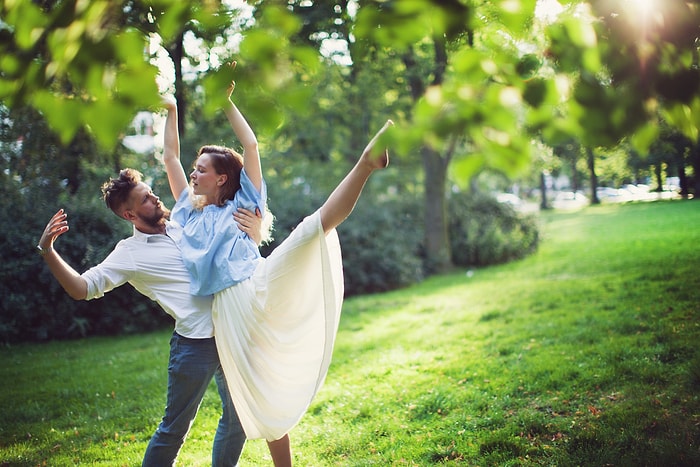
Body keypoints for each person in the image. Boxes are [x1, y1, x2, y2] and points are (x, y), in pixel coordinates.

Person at [159, 72, 393, 466]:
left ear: (222, 178)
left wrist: (226, 105)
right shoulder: (188, 213)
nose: (193, 173)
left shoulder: (242, 206)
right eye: (194, 168)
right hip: (231, 311)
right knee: (261, 389)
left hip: (258, 282)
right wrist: (171, 109)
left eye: (201, 169)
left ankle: (366, 164)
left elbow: (250, 144)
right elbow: (169, 157)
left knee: (310, 229)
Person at [37, 169, 266, 466]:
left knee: (239, 418)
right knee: (174, 429)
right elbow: (82, 288)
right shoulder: (129, 253)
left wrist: (256, 230)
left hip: (231, 330)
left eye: (151, 192)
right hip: (195, 345)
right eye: (146, 198)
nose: (156, 198)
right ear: (130, 215)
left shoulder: (181, 226)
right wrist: (47, 250)